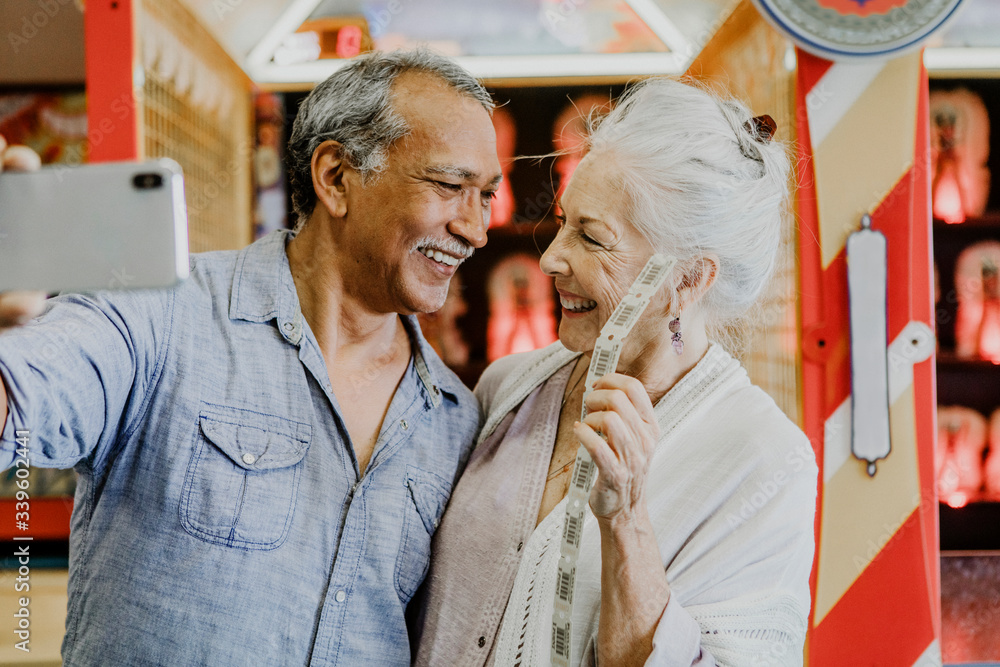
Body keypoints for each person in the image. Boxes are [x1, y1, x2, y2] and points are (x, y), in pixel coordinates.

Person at [0, 49, 501, 665]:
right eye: (451, 187)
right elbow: (23, 402)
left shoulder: (453, 418)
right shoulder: (160, 316)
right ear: (337, 177)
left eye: (487, 196)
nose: (475, 228)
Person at [412, 78, 818, 666]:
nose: (551, 259)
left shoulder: (765, 459)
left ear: (687, 281)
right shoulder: (511, 386)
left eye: (591, 237)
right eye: (563, 223)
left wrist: (625, 517)